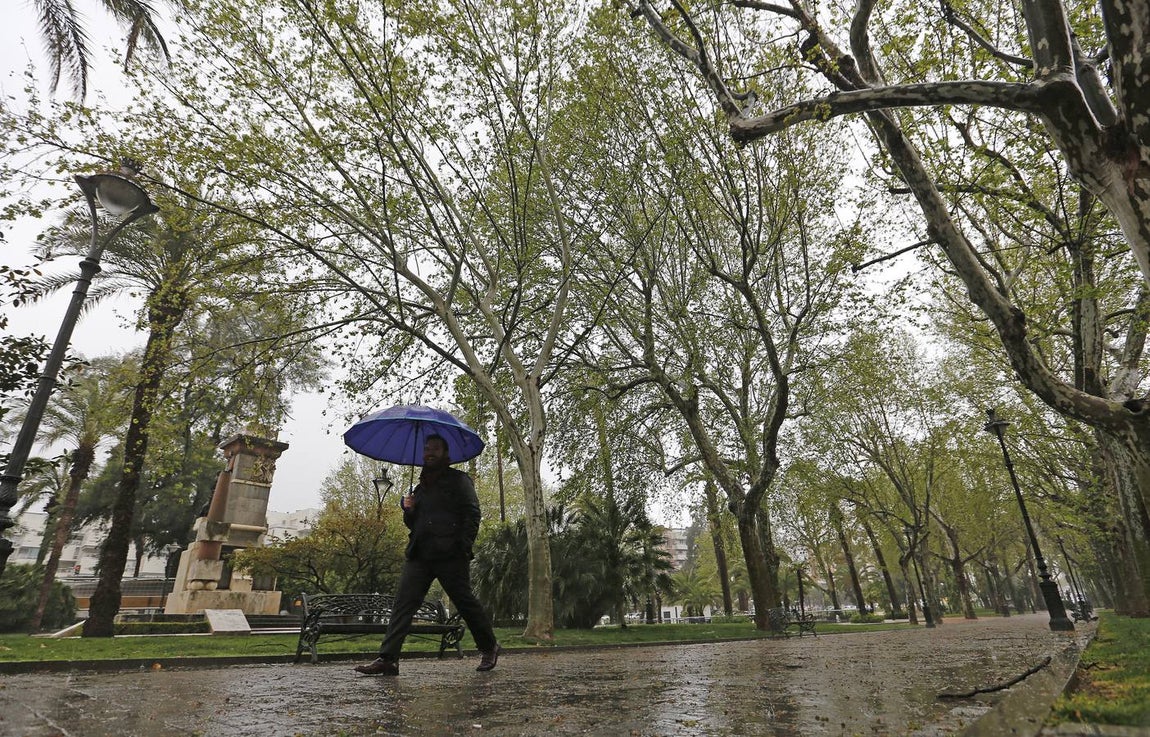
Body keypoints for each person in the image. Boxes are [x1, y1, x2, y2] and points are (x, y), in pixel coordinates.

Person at [355, 434, 501, 675]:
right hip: (420, 554)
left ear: (445, 454)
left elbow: (473, 514)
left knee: (464, 603)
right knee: (403, 603)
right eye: (426, 449)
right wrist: (408, 509)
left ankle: (489, 646)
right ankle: (388, 658)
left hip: (450, 554)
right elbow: (413, 524)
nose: (429, 453)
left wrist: (463, 546)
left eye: (434, 449)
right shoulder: (420, 487)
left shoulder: (459, 480)